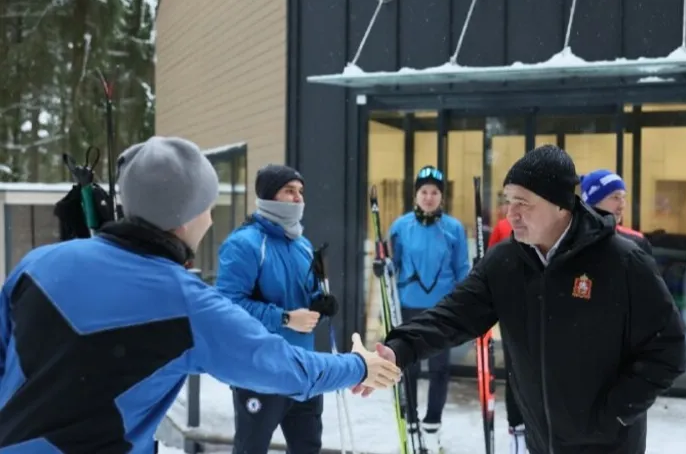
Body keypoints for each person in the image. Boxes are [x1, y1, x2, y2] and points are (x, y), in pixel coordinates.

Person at [0, 137, 401, 453]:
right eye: (209, 204)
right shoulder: (187, 302)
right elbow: (282, 367)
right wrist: (358, 366)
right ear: (188, 214)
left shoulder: (37, 265)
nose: (212, 217)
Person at [360, 145, 686, 454]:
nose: (510, 214)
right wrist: (400, 347)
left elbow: (668, 349)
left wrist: (615, 413)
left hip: (608, 445)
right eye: (508, 201)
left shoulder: (623, 262)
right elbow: (454, 315)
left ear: (561, 204)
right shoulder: (505, 262)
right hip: (541, 443)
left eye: (523, 203)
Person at [216, 164, 338, 454]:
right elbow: (227, 306)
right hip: (260, 369)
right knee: (252, 447)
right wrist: (284, 318)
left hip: (303, 366)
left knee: (308, 446)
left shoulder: (302, 245)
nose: (298, 199)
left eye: (301, 192)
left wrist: (320, 302)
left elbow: (308, 294)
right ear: (270, 196)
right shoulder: (244, 244)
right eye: (289, 191)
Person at [373, 165, 470, 451]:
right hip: (408, 307)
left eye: (435, 192)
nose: (429, 197)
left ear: (442, 197)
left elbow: (462, 269)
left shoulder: (453, 228)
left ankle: (432, 426)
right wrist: (383, 267)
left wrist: (465, 306)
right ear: (416, 195)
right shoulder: (401, 227)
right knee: (408, 367)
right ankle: (411, 422)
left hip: (442, 309)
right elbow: (392, 265)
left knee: (440, 369)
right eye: (424, 191)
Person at [487, 212, 526, 454]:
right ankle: (517, 427)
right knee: (516, 371)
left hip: (543, 308)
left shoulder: (544, 224)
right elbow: (491, 262)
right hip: (513, 308)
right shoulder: (502, 226)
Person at [580, 169, 652, 254]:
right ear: (593, 203)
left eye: (623, 197)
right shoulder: (572, 241)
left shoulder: (636, 241)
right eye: (616, 197)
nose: (622, 205)